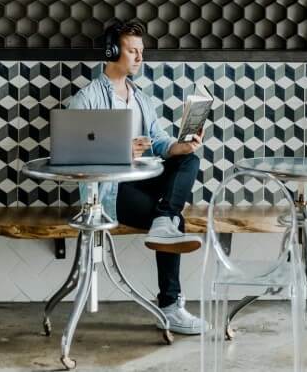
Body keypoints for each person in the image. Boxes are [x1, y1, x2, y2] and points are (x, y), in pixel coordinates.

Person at [67, 19, 207, 335]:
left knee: (189, 160)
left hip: (143, 178)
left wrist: (180, 145)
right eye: (133, 51)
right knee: (176, 224)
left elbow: (158, 140)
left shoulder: (142, 98)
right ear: (113, 51)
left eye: (141, 51)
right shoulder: (87, 98)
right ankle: (171, 307)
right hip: (110, 191)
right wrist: (120, 150)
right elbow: (71, 151)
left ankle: (163, 218)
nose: (140, 58)